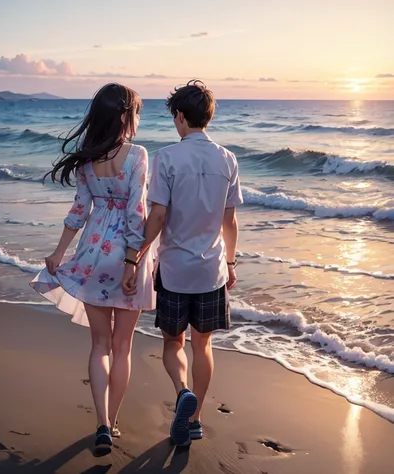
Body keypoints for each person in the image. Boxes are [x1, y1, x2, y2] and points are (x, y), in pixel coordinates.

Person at [30, 83, 155, 452]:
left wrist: (58, 253)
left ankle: (100, 422)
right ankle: (112, 424)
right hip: (128, 256)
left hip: (93, 253)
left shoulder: (87, 160)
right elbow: (136, 215)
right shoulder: (138, 155)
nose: (137, 118)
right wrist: (133, 263)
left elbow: (79, 212)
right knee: (123, 346)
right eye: (135, 112)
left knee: (99, 344)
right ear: (122, 116)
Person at [135, 80, 243, 447]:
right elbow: (229, 222)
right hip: (211, 270)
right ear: (207, 118)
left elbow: (159, 215)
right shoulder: (228, 159)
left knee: (172, 341)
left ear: (180, 117)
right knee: (204, 345)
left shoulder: (166, 158)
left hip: (175, 270)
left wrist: (136, 253)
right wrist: (230, 263)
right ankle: (195, 419)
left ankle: (182, 392)